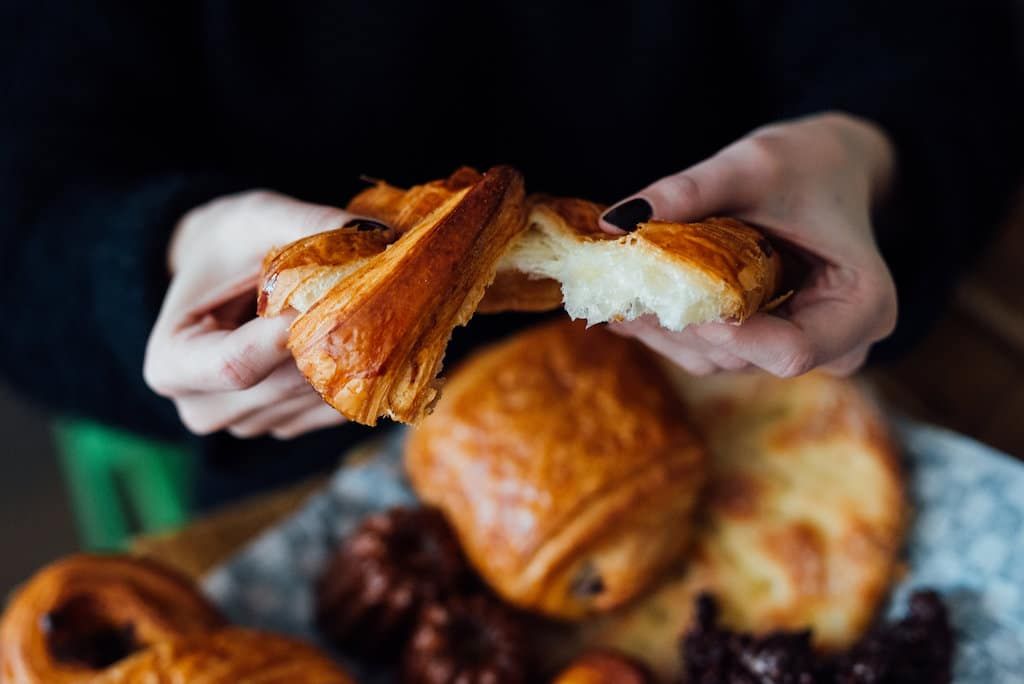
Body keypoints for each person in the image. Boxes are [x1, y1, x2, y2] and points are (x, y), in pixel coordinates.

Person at [1, 2, 1021, 505]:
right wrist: (157, 255)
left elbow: (939, 36)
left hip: (761, 407)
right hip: (316, 459)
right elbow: (25, 210)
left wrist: (871, 152)